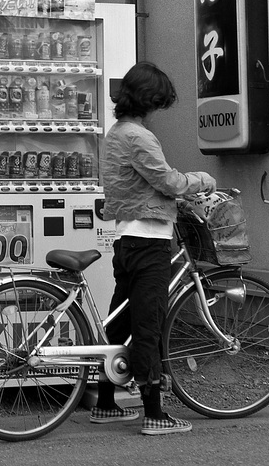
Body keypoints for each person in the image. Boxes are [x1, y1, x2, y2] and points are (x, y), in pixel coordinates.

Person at [91, 62, 216, 436]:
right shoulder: (140, 136)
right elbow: (168, 180)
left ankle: (106, 403)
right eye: (158, 103)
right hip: (149, 241)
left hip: (126, 237)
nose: (157, 111)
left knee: (123, 320)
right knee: (149, 323)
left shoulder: (115, 133)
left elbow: (140, 185)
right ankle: (155, 412)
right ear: (148, 100)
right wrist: (201, 179)